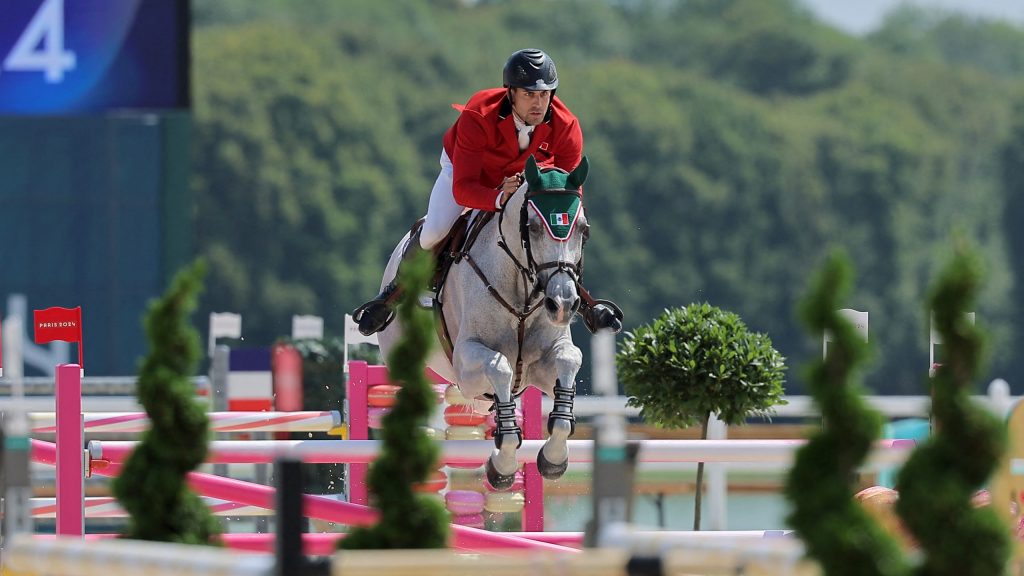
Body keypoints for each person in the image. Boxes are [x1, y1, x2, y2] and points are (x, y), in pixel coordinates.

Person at [353, 48, 621, 336]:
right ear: (511, 93)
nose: (538, 103)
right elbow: (463, 189)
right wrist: (498, 198)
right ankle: (393, 295)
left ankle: (582, 301)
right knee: (435, 230)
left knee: (559, 234)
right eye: (529, 94)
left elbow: (568, 193)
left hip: (522, 179)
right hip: (469, 172)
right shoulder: (479, 115)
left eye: (545, 94)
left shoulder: (566, 126)